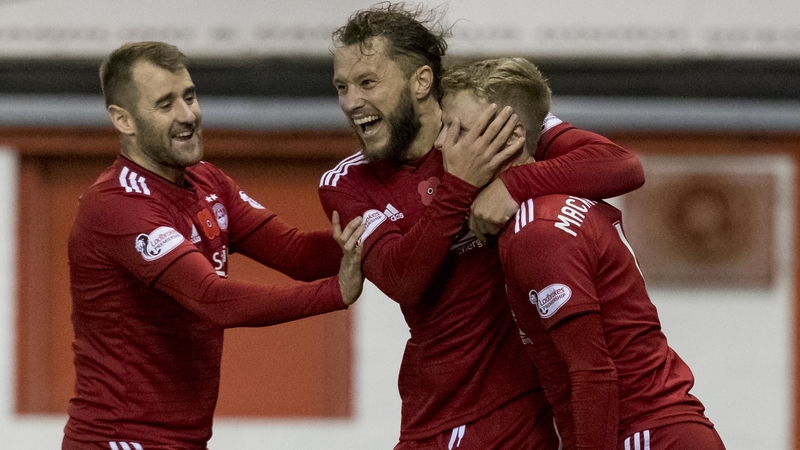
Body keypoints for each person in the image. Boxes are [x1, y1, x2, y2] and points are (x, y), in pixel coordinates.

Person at [319, 3, 645, 449]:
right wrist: (460, 185)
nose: (350, 101)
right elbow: (402, 279)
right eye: (341, 86)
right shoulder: (347, 182)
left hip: (529, 419)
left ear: (420, 81)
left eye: (367, 82)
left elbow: (622, 166)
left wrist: (514, 182)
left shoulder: (485, 121)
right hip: (436, 419)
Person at [63, 41, 366, 450]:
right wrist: (335, 293)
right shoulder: (118, 204)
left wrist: (386, 223)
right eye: (165, 103)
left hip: (185, 440)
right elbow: (212, 298)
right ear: (124, 120)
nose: (188, 115)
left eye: (189, 96)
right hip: (119, 440)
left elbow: (295, 252)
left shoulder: (208, 181)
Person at [437, 56, 726, 450]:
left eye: (458, 130)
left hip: (642, 436)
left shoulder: (536, 233)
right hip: (664, 430)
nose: (440, 143)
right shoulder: (559, 198)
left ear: (510, 137)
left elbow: (593, 373)